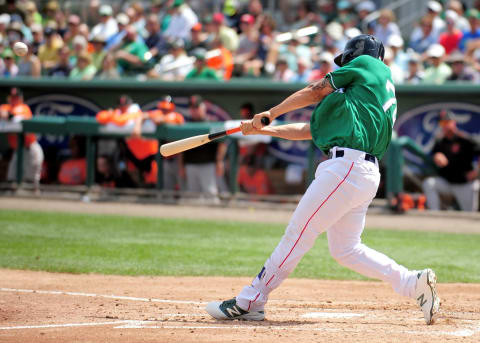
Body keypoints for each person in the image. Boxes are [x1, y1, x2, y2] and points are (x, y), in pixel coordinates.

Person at [205, 35, 440, 325]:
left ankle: (251, 300)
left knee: (298, 233)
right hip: (362, 172)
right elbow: (309, 130)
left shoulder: (369, 64)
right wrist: (263, 130)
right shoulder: (362, 99)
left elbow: (317, 89)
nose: (347, 67)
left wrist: (271, 112)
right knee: (346, 249)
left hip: (347, 168)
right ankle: (412, 282)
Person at [422, 110, 480, 211]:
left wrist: (477, 172)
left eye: (447, 122)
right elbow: (432, 155)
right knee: (428, 184)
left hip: (464, 183)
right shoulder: (440, 141)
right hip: (447, 182)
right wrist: (436, 156)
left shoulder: (464, 140)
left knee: (469, 215)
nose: (445, 125)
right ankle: (435, 215)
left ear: (454, 122)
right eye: (442, 123)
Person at [181, 95, 227, 202]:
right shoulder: (186, 125)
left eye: (197, 107)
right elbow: (182, 148)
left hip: (208, 164)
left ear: (203, 107)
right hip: (190, 164)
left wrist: (219, 161)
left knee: (211, 195)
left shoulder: (212, 123)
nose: (194, 110)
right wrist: (181, 166)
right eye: (192, 108)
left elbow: (222, 143)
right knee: (192, 197)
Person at [0, 88, 43, 193]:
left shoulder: (24, 108)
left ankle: (35, 203)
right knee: (12, 178)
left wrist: (7, 115)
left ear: (21, 98)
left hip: (30, 147)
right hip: (18, 150)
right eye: (12, 97)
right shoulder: (5, 107)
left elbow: (14, 117)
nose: (14, 100)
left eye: (16, 97)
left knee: (33, 180)